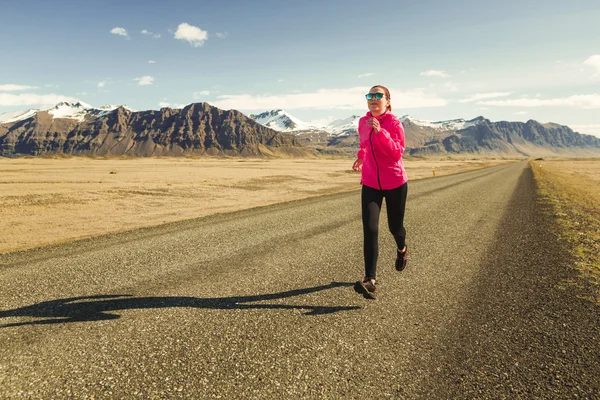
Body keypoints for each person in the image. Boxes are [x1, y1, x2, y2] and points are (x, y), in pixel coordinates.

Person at [352, 85, 408, 299]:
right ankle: (370, 278)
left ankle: (402, 250)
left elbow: (396, 153)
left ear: (387, 101)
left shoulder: (394, 123)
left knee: (395, 227)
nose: (373, 99)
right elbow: (365, 145)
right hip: (370, 183)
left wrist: (380, 131)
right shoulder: (362, 122)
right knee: (370, 228)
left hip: (395, 182)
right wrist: (361, 156)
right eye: (370, 96)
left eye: (378, 95)